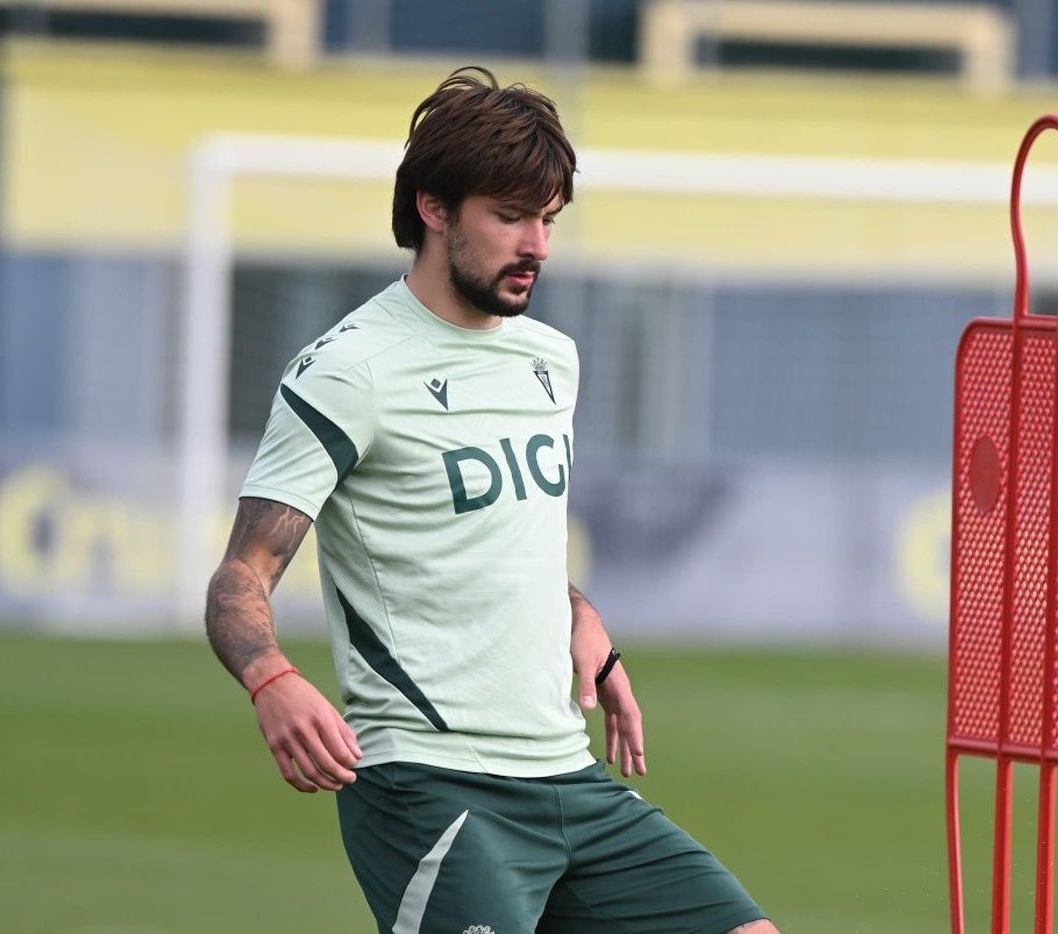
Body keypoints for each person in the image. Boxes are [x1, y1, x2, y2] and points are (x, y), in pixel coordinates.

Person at [205, 66, 778, 934]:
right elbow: (239, 577)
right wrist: (272, 679)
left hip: (569, 776)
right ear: (434, 209)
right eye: (510, 216)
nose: (538, 244)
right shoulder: (350, 371)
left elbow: (503, 541)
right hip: (432, 788)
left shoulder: (551, 360)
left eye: (547, 219)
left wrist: (580, 614)